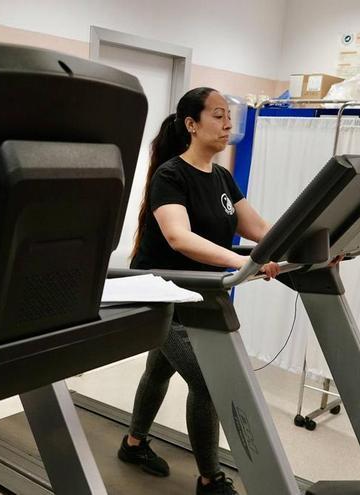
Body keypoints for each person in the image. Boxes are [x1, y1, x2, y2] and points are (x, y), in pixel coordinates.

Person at [116, 87, 280, 495]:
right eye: (218, 115)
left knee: (160, 368)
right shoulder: (170, 175)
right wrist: (242, 262)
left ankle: (133, 444)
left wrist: (308, 246)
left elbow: (259, 229)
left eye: (229, 116)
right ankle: (210, 480)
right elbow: (179, 238)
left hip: (199, 295)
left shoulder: (222, 178)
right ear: (192, 124)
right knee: (208, 381)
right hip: (162, 296)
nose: (227, 124)